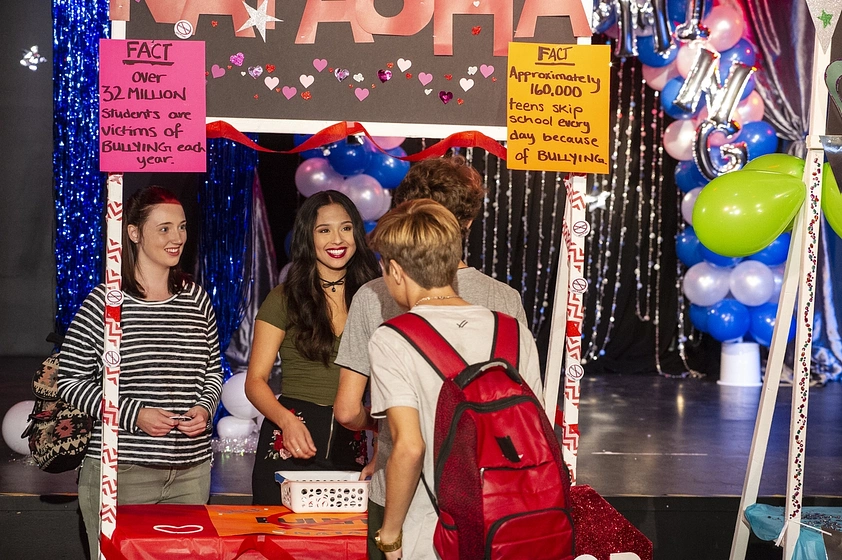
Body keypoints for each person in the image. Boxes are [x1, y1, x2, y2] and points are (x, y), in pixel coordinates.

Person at [333, 155, 528, 559]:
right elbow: (526, 416)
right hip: (494, 497)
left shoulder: (375, 297)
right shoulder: (507, 307)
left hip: (403, 499)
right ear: (467, 223)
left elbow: (350, 411)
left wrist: (383, 432)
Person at [367, 199, 544, 559]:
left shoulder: (392, 339)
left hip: (433, 534)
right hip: (514, 526)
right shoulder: (514, 332)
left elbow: (409, 447)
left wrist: (390, 536)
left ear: (396, 271)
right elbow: (537, 432)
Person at [57, 186, 224, 557]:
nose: (177, 237)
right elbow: (68, 381)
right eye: (164, 228)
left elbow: (213, 370)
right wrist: (134, 414)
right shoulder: (106, 303)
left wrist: (205, 407)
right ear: (133, 232)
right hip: (123, 473)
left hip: (191, 473)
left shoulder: (196, 298)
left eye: (182, 227)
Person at [246, 189, 380, 505]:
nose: (338, 239)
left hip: (351, 445)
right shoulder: (284, 297)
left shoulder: (375, 297)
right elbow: (255, 381)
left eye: (346, 228)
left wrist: (383, 448)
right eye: (324, 230)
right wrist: (286, 421)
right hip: (290, 443)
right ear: (309, 236)